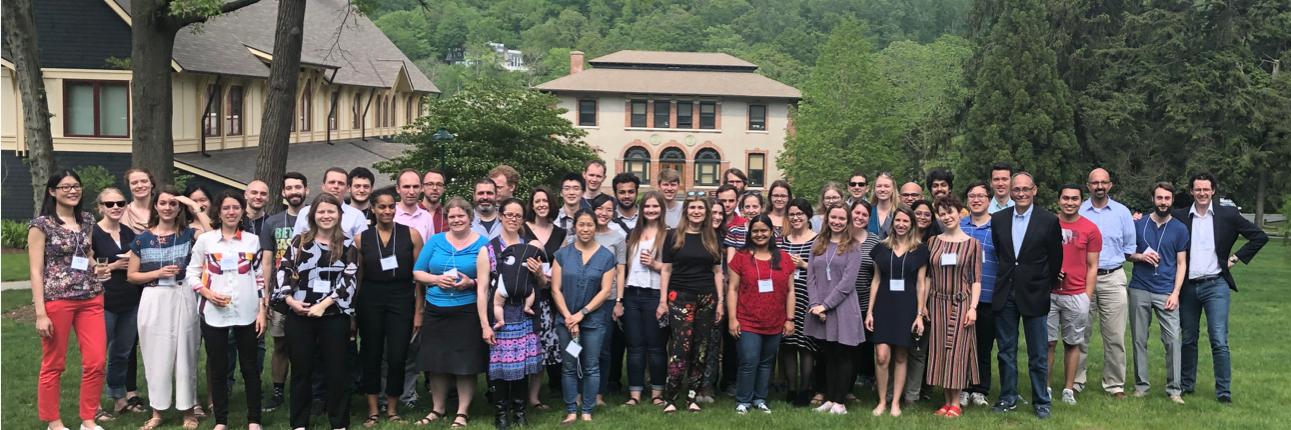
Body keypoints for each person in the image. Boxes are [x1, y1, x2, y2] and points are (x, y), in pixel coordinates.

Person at [1174, 173, 1267, 403]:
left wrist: (1234, 259)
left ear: (1213, 191)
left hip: (1216, 285)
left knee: (1218, 340)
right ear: (1191, 191)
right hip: (1188, 287)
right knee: (1188, 338)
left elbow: (1259, 237)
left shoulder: (1228, 214)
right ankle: (1186, 385)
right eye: (1198, 189)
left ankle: (1224, 392)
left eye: (1206, 189)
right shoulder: (1180, 217)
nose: (1202, 193)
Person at [270, 193, 360, 430]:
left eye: (331, 211)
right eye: (321, 211)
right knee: (301, 371)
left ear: (339, 215)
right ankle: (300, 423)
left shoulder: (348, 245)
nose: (326, 216)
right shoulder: (299, 242)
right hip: (299, 316)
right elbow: (283, 271)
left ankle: (339, 423)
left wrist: (324, 304)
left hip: (334, 317)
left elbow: (349, 280)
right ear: (312, 215)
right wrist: (290, 301)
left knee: (337, 370)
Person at [30, 170, 109, 430]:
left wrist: (97, 267)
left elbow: (86, 254)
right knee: (54, 363)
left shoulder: (87, 219)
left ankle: (88, 419)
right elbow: (36, 271)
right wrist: (40, 313)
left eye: (76, 186)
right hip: (58, 299)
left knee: (96, 361)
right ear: (52, 192)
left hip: (91, 297)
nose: (72, 191)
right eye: (65, 187)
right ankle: (54, 422)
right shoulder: (41, 225)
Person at [127, 185, 206, 430]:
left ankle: (188, 410)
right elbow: (132, 275)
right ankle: (157, 411)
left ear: (180, 208)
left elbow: (213, 237)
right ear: (156, 206)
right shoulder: (142, 239)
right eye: (163, 203)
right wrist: (157, 273)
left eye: (173, 203)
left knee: (186, 354)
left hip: (183, 293)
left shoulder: (189, 234)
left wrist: (194, 207)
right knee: (155, 355)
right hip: (154, 296)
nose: (168, 207)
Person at [187, 190, 266, 430]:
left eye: (236, 208)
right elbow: (191, 273)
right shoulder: (206, 241)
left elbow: (259, 276)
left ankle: (254, 419)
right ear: (218, 213)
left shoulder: (252, 241)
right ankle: (221, 420)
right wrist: (207, 293)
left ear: (242, 211)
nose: (231, 212)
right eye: (226, 208)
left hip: (247, 312)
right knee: (218, 367)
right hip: (214, 313)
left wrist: (262, 310)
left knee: (250, 368)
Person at [990, 172, 1063, 419]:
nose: (1021, 193)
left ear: (1034, 190)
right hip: (1006, 292)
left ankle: (1041, 401)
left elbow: (1055, 259)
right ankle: (1008, 397)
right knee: (1005, 350)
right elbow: (1002, 253)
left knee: (1038, 353)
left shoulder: (1048, 220)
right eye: (1017, 189)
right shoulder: (998, 219)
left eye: (1025, 189)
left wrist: (1043, 284)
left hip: (1035, 293)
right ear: (1011, 192)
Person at [411, 197, 490, 427]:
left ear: (470, 217)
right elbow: (417, 272)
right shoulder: (435, 241)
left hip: (466, 310)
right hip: (436, 310)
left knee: (465, 363)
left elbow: (490, 278)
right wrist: (436, 279)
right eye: (452, 216)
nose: (456, 220)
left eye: (461, 215)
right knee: (436, 362)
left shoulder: (483, 243)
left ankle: (462, 411)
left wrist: (470, 282)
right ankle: (438, 408)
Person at [355, 191, 424, 427]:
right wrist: (354, 313)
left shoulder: (411, 235)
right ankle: (373, 410)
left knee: (398, 355)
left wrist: (419, 310)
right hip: (370, 298)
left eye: (391, 207)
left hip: (401, 297)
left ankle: (393, 409)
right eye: (382, 207)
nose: (387, 211)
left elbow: (419, 276)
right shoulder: (361, 238)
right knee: (371, 353)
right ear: (373, 209)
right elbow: (358, 277)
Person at [482, 198, 547, 429]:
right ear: (500, 216)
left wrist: (539, 273)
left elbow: (542, 284)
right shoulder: (489, 249)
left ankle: (520, 411)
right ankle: (500, 412)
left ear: (523, 219)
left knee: (522, 365)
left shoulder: (531, 247)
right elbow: (482, 291)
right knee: (500, 367)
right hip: (500, 316)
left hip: (525, 315)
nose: (513, 219)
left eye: (518, 215)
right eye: (509, 214)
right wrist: (485, 325)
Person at [551, 209, 617, 424]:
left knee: (591, 365)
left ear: (595, 227)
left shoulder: (607, 257)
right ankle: (571, 409)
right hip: (566, 321)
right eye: (581, 224)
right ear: (575, 227)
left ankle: (587, 409)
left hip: (593, 321)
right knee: (569, 366)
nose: (585, 229)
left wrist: (581, 314)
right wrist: (569, 317)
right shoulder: (562, 255)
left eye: (589, 224)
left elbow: (605, 291)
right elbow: (555, 289)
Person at [659, 197, 724, 413]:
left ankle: (692, 397)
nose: (696, 211)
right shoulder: (672, 236)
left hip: (707, 297)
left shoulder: (712, 237)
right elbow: (666, 269)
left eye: (700, 208)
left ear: (706, 212)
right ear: (686, 211)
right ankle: (670, 398)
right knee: (681, 348)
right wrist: (662, 301)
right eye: (692, 207)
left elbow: (717, 272)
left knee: (701, 349)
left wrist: (720, 302)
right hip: (680, 297)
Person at [727, 215, 795, 414]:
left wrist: (790, 319)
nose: (759, 234)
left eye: (764, 230)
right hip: (747, 319)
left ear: (771, 232)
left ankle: (760, 399)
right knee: (749, 360)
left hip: (775, 319)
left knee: (766, 363)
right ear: (750, 233)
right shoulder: (741, 257)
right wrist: (732, 319)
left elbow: (791, 290)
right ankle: (743, 400)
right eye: (755, 231)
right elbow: (732, 289)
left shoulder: (784, 258)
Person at [1128, 182, 1189, 404]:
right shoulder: (1139, 224)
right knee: (1139, 339)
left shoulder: (1180, 229)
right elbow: (1127, 254)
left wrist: (1176, 293)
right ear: (1153, 199)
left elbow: (1181, 263)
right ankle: (1141, 386)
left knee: (1173, 340)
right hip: (1139, 288)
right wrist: (1140, 257)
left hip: (1166, 291)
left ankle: (1174, 390)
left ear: (1172, 200)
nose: (1163, 202)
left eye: (1167, 198)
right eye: (1159, 198)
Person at [1075, 167, 1134, 398]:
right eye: (1095, 183)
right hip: (1082, 278)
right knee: (1080, 333)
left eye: (1103, 182)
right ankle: (1076, 380)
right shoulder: (1079, 211)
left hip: (1113, 277)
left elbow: (1129, 247)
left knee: (1115, 336)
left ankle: (1115, 384)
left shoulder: (1122, 212)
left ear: (1110, 185)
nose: (1099, 186)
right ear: (1088, 186)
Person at [866, 205, 929, 418]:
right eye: (898, 220)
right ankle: (882, 400)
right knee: (882, 356)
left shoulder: (920, 250)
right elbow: (876, 280)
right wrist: (870, 311)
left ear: (911, 224)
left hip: (907, 307)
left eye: (905, 221)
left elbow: (921, 284)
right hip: (883, 306)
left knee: (902, 356)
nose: (901, 224)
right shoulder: (881, 248)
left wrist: (919, 315)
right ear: (892, 223)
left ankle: (895, 403)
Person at [804, 204, 865, 415]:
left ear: (848, 222)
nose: (837, 222)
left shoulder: (853, 247)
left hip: (843, 308)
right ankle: (830, 399)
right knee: (828, 355)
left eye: (841, 218)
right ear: (827, 219)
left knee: (843, 355)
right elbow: (810, 277)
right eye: (833, 217)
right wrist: (815, 305)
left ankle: (840, 402)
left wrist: (825, 305)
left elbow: (847, 283)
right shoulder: (818, 243)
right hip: (820, 309)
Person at [924, 196, 982, 418]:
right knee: (940, 352)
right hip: (937, 303)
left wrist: (973, 307)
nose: (947, 217)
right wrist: (923, 305)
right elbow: (928, 276)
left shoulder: (972, 244)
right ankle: (946, 401)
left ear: (960, 213)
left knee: (957, 352)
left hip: (961, 303)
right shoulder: (933, 242)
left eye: (950, 212)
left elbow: (976, 280)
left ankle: (956, 403)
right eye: (942, 214)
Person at [259, 172, 309, 412]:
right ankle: (278, 391)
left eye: (298, 187)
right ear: (283, 193)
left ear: (306, 190)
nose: (294, 192)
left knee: (309, 344)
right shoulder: (272, 223)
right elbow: (267, 261)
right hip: (280, 293)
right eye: (289, 188)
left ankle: (308, 390)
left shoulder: (315, 217)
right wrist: (266, 293)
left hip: (308, 292)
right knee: (280, 344)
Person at [1048, 185, 1101, 406]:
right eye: (1066, 198)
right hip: (1049, 293)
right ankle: (1045, 387)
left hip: (1076, 294)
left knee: (1072, 343)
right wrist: (1050, 271)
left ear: (1081, 201)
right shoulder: (1048, 224)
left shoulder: (1090, 229)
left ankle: (1068, 389)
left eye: (1074, 198)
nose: (1070, 202)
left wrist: (1087, 296)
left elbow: (1093, 266)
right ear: (1059, 200)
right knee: (1048, 343)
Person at [92, 187, 144, 418]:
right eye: (110, 204)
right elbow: (79, 265)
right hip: (102, 301)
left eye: (120, 203)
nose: (115, 207)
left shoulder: (128, 233)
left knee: (122, 353)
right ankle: (93, 405)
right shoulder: (92, 233)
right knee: (96, 356)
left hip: (130, 300)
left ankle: (119, 398)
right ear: (100, 207)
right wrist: (113, 266)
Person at [621, 191, 668, 406]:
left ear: (661, 209)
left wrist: (654, 264)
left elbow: (672, 268)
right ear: (642, 210)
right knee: (634, 346)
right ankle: (635, 394)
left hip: (655, 294)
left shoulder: (668, 234)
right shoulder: (633, 234)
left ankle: (657, 393)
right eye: (647, 206)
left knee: (656, 347)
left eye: (655, 206)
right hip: (632, 294)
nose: (651, 210)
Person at [523, 186, 566, 409]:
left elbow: (563, 264)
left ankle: (536, 396)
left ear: (551, 204)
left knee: (544, 346)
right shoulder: (522, 229)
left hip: (550, 298)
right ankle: (519, 393)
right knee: (524, 345)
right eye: (537, 201)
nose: (541, 205)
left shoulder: (560, 233)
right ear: (531, 205)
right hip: (524, 296)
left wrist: (549, 278)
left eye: (545, 201)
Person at [961, 181, 1000, 408]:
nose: (976, 200)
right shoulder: (959, 226)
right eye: (972, 196)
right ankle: (962, 388)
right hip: (962, 297)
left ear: (989, 199)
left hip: (988, 296)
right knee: (962, 346)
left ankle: (980, 390)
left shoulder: (999, 227)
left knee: (984, 346)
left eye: (981, 196)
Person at [778, 198, 818, 406]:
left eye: (799, 214)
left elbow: (823, 270)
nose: (795, 218)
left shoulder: (818, 240)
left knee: (806, 345)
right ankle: (791, 389)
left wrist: (803, 264)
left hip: (809, 297)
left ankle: (805, 390)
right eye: (792, 214)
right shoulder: (782, 241)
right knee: (788, 344)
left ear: (808, 215)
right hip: (786, 298)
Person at [848, 199, 881, 395]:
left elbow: (878, 274)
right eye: (857, 213)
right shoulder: (841, 236)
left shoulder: (874, 241)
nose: (860, 217)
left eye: (864, 215)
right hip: (842, 302)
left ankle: (856, 383)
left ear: (869, 218)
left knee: (861, 347)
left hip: (864, 302)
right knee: (843, 347)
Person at [292, 167, 370, 240]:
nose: (336, 186)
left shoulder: (356, 216)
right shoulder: (305, 212)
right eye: (332, 182)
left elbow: (364, 246)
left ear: (347, 188)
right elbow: (295, 244)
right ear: (323, 186)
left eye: (341, 183)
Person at [394, 169, 435, 242]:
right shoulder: (390, 214)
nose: (411, 192)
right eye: (406, 187)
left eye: (415, 186)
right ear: (398, 189)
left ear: (421, 188)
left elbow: (430, 247)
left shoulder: (427, 217)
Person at [121, 167, 156, 232]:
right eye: (134, 183)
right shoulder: (122, 213)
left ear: (151, 184)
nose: (139, 186)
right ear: (129, 186)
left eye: (144, 181)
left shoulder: (162, 210)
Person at [555, 173, 587, 239]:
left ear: (583, 193)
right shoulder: (553, 218)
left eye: (576, 188)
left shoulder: (589, 218)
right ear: (561, 192)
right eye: (567, 188)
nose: (571, 193)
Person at [868, 173, 897, 238]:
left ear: (893, 189)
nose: (882, 190)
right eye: (879, 186)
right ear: (874, 189)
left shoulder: (899, 212)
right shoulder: (868, 211)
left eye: (887, 186)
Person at [420, 169, 448, 235]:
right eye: (430, 184)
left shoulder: (448, 216)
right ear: (422, 188)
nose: (435, 188)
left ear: (444, 189)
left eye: (439, 184)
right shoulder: (413, 213)